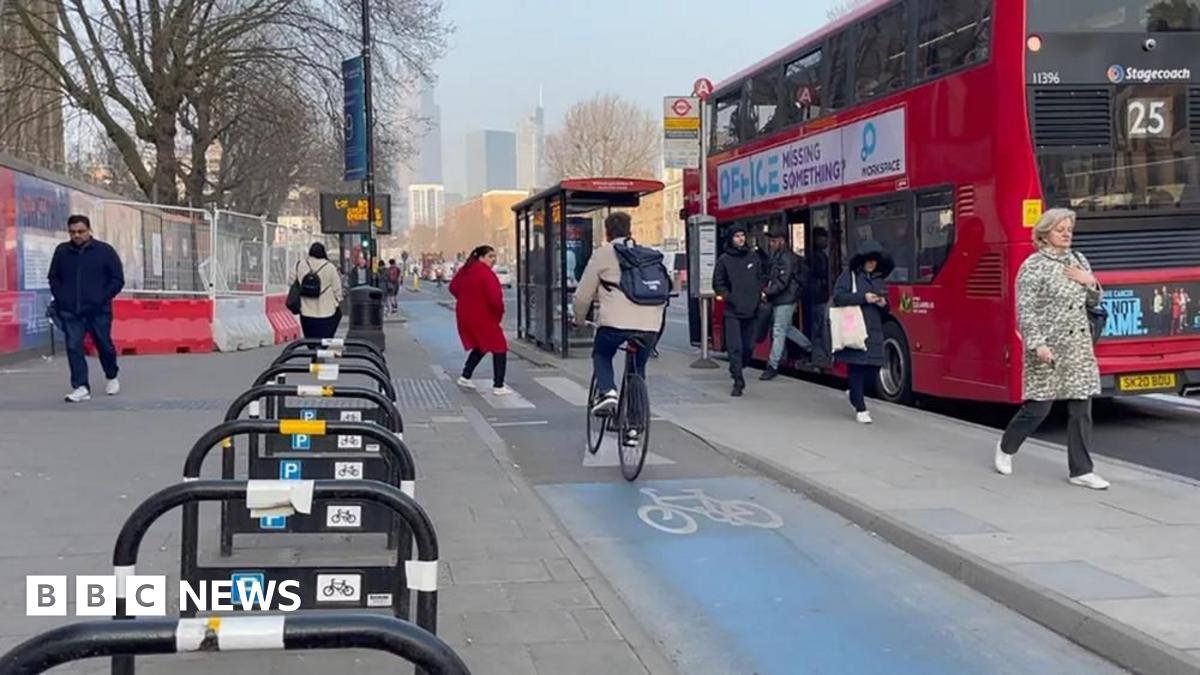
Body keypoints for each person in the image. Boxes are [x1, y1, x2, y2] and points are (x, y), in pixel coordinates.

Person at [994, 208, 1109, 490]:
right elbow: (1025, 310)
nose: (1067, 234)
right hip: (1048, 347)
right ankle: (1007, 446)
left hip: (1078, 346)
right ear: (1045, 234)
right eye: (1060, 229)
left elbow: (1094, 301)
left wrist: (1089, 282)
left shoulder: (1078, 259)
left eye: (1069, 229)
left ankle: (1081, 470)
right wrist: (1037, 344)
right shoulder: (1033, 265)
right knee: (1039, 408)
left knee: (1081, 407)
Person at [573, 212, 665, 426]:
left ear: (607, 233)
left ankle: (607, 392)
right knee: (637, 370)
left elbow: (583, 296)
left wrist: (579, 319)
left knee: (602, 353)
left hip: (615, 323)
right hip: (650, 325)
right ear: (630, 230)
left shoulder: (603, 254)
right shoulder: (648, 254)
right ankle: (634, 427)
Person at [47, 214, 125, 403]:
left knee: (104, 345)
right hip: (71, 310)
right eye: (72, 232)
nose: (76, 235)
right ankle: (81, 386)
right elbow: (53, 277)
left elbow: (117, 279)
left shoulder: (104, 251)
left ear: (89, 230)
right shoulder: (62, 251)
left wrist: (102, 297)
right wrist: (62, 298)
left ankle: (111, 375)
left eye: (81, 231)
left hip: (99, 310)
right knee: (73, 346)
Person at [832, 240, 893, 424]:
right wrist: (863, 298)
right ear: (862, 260)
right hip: (855, 329)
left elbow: (886, 310)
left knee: (874, 367)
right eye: (869, 260)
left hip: (874, 331)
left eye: (875, 261)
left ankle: (854, 392)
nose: (872, 264)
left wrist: (883, 304)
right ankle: (861, 408)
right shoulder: (848, 276)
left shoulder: (878, 279)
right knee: (857, 367)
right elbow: (838, 297)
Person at [450, 246, 512, 395]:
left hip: (466, 314)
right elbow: (495, 299)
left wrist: (465, 299)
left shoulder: (465, 270)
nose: (493, 260)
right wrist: (499, 313)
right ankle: (498, 385)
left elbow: (453, 287)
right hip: (484, 316)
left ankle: (465, 376)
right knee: (499, 346)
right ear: (481, 258)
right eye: (490, 256)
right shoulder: (487, 274)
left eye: (494, 256)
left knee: (481, 345)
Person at [713, 224, 766, 397]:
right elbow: (718, 283)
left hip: (752, 309)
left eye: (742, 235)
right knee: (734, 347)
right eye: (737, 236)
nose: (741, 238)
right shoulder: (724, 260)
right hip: (733, 311)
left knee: (749, 347)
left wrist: (759, 294)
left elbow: (761, 277)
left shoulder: (753, 257)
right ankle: (738, 380)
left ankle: (739, 367)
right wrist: (729, 297)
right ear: (731, 239)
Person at [761, 223, 812, 380]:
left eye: (773, 241)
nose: (771, 244)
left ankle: (773, 365)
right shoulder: (780, 256)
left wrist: (766, 292)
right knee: (786, 328)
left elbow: (782, 282)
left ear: (781, 241)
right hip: (784, 298)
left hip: (785, 298)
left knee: (779, 330)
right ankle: (809, 348)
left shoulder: (786, 258)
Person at [293, 243, 344, 339]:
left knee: (310, 338)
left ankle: (312, 347)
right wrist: (338, 299)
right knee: (325, 337)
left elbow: (291, 280)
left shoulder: (301, 264)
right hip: (327, 310)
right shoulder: (329, 267)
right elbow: (337, 287)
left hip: (306, 309)